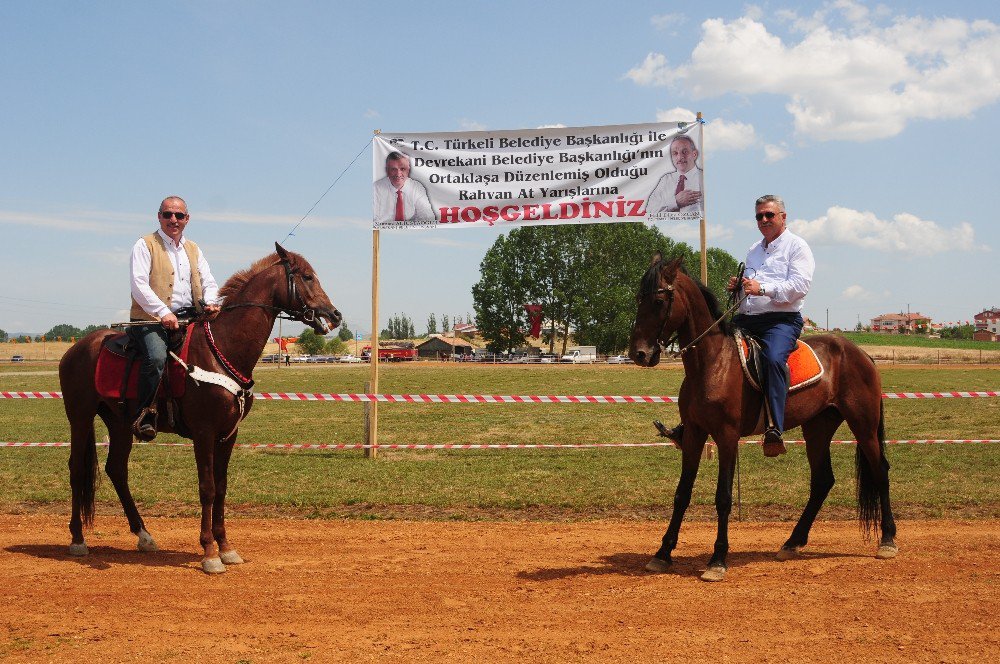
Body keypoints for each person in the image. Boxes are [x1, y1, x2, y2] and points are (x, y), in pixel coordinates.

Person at [655, 194, 814, 458]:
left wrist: (761, 288)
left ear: (783, 217)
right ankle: (691, 423)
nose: (763, 220)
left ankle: (774, 426)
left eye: (769, 215)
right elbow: (750, 287)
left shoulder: (797, 247)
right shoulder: (754, 249)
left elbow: (800, 287)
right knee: (709, 356)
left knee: (773, 359)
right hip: (746, 319)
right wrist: (740, 287)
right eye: (759, 216)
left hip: (780, 321)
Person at [128, 196, 220, 440]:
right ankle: (145, 414)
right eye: (168, 214)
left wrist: (211, 301)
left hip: (189, 318)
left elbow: (208, 280)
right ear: (159, 216)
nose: (173, 220)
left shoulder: (193, 249)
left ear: (187, 219)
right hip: (150, 320)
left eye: (179, 215)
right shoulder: (144, 244)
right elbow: (138, 285)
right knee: (157, 357)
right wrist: (162, 312)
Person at [645, 134, 703, 216]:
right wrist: (675, 202)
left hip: (695, 227)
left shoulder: (704, 178)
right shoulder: (666, 180)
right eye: (675, 153)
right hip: (667, 228)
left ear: (694, 154)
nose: (680, 157)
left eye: (685, 152)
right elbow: (650, 211)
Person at [372, 151, 434, 224]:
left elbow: (428, 218)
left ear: (408, 169)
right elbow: (371, 220)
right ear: (387, 170)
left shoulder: (417, 188)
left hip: (408, 233)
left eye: (403, 169)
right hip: (384, 232)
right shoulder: (375, 189)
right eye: (393, 169)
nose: (398, 174)